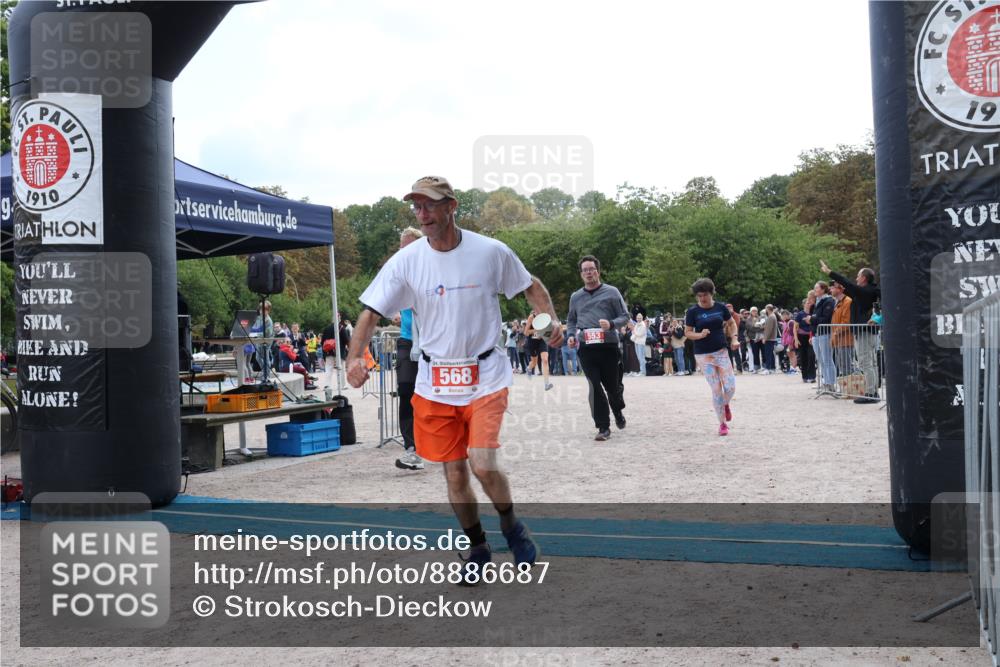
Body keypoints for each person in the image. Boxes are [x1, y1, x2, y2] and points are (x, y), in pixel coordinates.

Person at [346, 175, 561, 583]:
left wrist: (550, 321)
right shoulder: (407, 261)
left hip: (485, 375)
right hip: (435, 381)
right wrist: (355, 357)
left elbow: (530, 287)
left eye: (430, 205)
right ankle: (477, 547)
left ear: (451, 206)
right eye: (417, 207)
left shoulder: (490, 251)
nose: (423, 214)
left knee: (481, 464)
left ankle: (512, 526)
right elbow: (370, 311)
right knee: (455, 472)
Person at [565, 255, 629, 441]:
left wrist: (610, 324)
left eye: (591, 269)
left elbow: (625, 316)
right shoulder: (576, 297)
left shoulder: (612, 292)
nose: (588, 273)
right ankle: (603, 427)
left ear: (598, 271)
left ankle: (617, 410)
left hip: (608, 345)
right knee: (594, 387)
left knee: (613, 388)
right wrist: (570, 336)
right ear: (581, 274)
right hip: (586, 347)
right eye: (585, 270)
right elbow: (571, 320)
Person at [820, 260, 882, 403]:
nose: (856, 278)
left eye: (858, 276)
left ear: (864, 278)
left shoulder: (865, 291)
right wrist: (839, 284)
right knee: (871, 363)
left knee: (866, 363)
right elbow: (847, 287)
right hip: (867, 331)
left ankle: (871, 393)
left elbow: (848, 284)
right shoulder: (868, 291)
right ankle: (872, 391)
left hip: (864, 332)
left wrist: (830, 272)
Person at [685, 278, 738, 436]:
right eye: (699, 295)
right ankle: (722, 424)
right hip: (703, 355)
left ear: (711, 293)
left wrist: (734, 338)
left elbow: (732, 324)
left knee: (730, 387)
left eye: (705, 295)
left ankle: (725, 403)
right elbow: (688, 333)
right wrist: (699, 335)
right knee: (716, 389)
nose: (702, 298)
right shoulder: (692, 312)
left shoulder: (721, 307)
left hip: (721, 352)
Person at [394, 227, 426, 472]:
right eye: (400, 248)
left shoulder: (432, 271)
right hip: (407, 341)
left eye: (407, 247)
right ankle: (411, 448)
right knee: (406, 393)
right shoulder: (397, 274)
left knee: (435, 395)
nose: (402, 252)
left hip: (433, 342)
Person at [524, 311, 554, 391]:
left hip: (542, 341)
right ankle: (529, 368)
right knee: (534, 362)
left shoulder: (547, 316)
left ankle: (546, 384)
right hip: (532, 342)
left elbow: (549, 332)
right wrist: (537, 330)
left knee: (545, 360)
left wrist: (544, 334)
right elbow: (526, 332)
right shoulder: (532, 317)